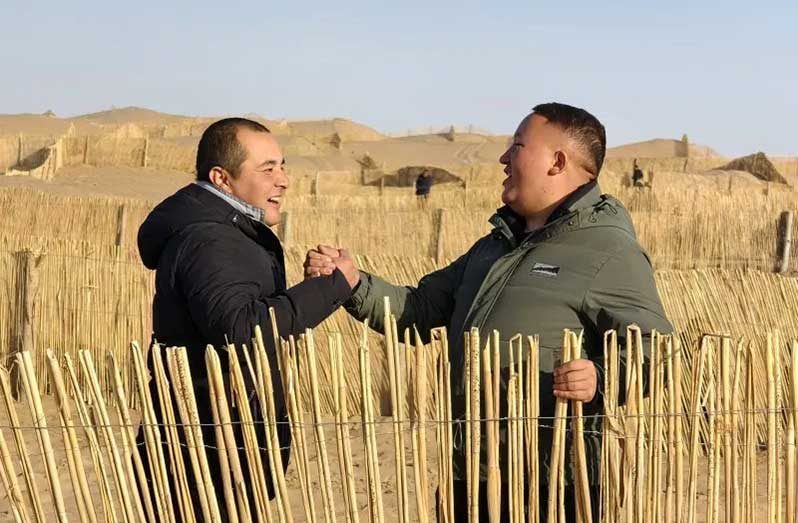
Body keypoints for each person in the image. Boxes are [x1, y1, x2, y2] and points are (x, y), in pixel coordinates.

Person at [304, 102, 672, 521]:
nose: (503, 159)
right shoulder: (494, 246)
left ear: (557, 162)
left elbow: (655, 351)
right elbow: (421, 308)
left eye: (516, 146)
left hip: (551, 481)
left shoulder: (607, 249)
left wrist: (600, 377)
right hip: (473, 469)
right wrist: (354, 283)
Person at [136, 117, 359, 521]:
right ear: (222, 178)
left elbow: (243, 311)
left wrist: (308, 289)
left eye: (283, 166)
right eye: (267, 169)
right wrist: (334, 287)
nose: (284, 180)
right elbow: (241, 329)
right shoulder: (210, 238)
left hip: (217, 451)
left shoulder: (224, 230)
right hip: (204, 458)